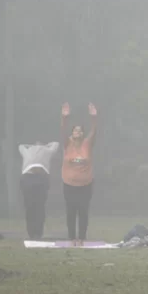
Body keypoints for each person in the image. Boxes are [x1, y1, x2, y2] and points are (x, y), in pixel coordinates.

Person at [60, 102, 98, 247]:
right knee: (71, 211)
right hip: (69, 184)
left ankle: (81, 238)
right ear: (72, 133)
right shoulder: (67, 144)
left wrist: (94, 117)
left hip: (85, 185)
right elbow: (62, 130)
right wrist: (64, 117)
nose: (78, 132)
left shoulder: (87, 144)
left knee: (83, 211)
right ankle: (71, 238)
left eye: (80, 131)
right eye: (75, 130)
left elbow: (94, 131)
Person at [18, 141, 59, 240]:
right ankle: (31, 232)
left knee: (40, 206)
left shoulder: (46, 151)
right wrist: (32, 146)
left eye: (39, 143)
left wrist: (43, 146)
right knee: (29, 206)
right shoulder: (27, 152)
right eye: (36, 144)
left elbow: (56, 144)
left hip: (41, 177)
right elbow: (21, 146)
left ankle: (38, 233)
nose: (37, 145)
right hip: (28, 177)